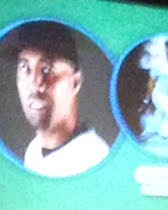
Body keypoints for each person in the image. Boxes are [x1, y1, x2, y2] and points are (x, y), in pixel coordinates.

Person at [13, 22, 108, 177]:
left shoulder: (95, 158)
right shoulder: (33, 150)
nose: (34, 84)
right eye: (25, 68)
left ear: (75, 82)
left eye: (47, 69)